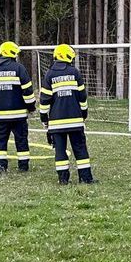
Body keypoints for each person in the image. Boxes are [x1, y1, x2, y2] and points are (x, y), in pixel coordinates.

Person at [39, 44, 95, 184]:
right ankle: (86, 178)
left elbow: (44, 100)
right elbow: (82, 97)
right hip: (75, 120)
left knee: (60, 151)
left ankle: (63, 179)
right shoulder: (75, 72)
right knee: (80, 149)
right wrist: (84, 114)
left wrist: (44, 118)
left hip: (56, 122)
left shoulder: (49, 74)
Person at [0, 41, 36, 174]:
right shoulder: (19, 68)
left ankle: (1, 167)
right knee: (21, 140)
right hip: (19, 115)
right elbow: (27, 91)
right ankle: (23, 166)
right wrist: (31, 107)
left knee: (0, 141)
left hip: (1, 116)